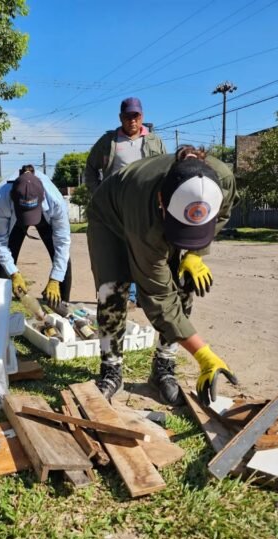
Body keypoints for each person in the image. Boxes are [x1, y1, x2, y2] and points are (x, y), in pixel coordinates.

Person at [86, 146, 239, 407]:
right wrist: (203, 354)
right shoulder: (145, 215)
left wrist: (195, 253)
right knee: (112, 290)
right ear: (161, 200)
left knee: (185, 280)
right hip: (110, 218)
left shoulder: (222, 180)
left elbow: (223, 213)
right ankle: (111, 369)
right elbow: (158, 297)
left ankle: (163, 367)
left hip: (156, 214)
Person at [84, 96, 166, 306]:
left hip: (144, 206)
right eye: (128, 116)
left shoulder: (154, 141)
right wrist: (98, 193)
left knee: (141, 250)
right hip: (114, 207)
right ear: (120, 117)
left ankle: (140, 295)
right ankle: (126, 296)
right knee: (118, 250)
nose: (132, 120)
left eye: (136, 116)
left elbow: (165, 171)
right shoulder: (109, 141)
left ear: (142, 117)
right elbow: (90, 168)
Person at [0, 165, 71, 306]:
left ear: (42, 197)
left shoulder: (55, 200)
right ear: (13, 198)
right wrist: (14, 273)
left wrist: (55, 279)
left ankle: (62, 304)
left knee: (62, 258)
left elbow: (62, 242)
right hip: (15, 219)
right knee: (6, 258)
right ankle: (0, 303)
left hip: (45, 217)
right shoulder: (1, 198)